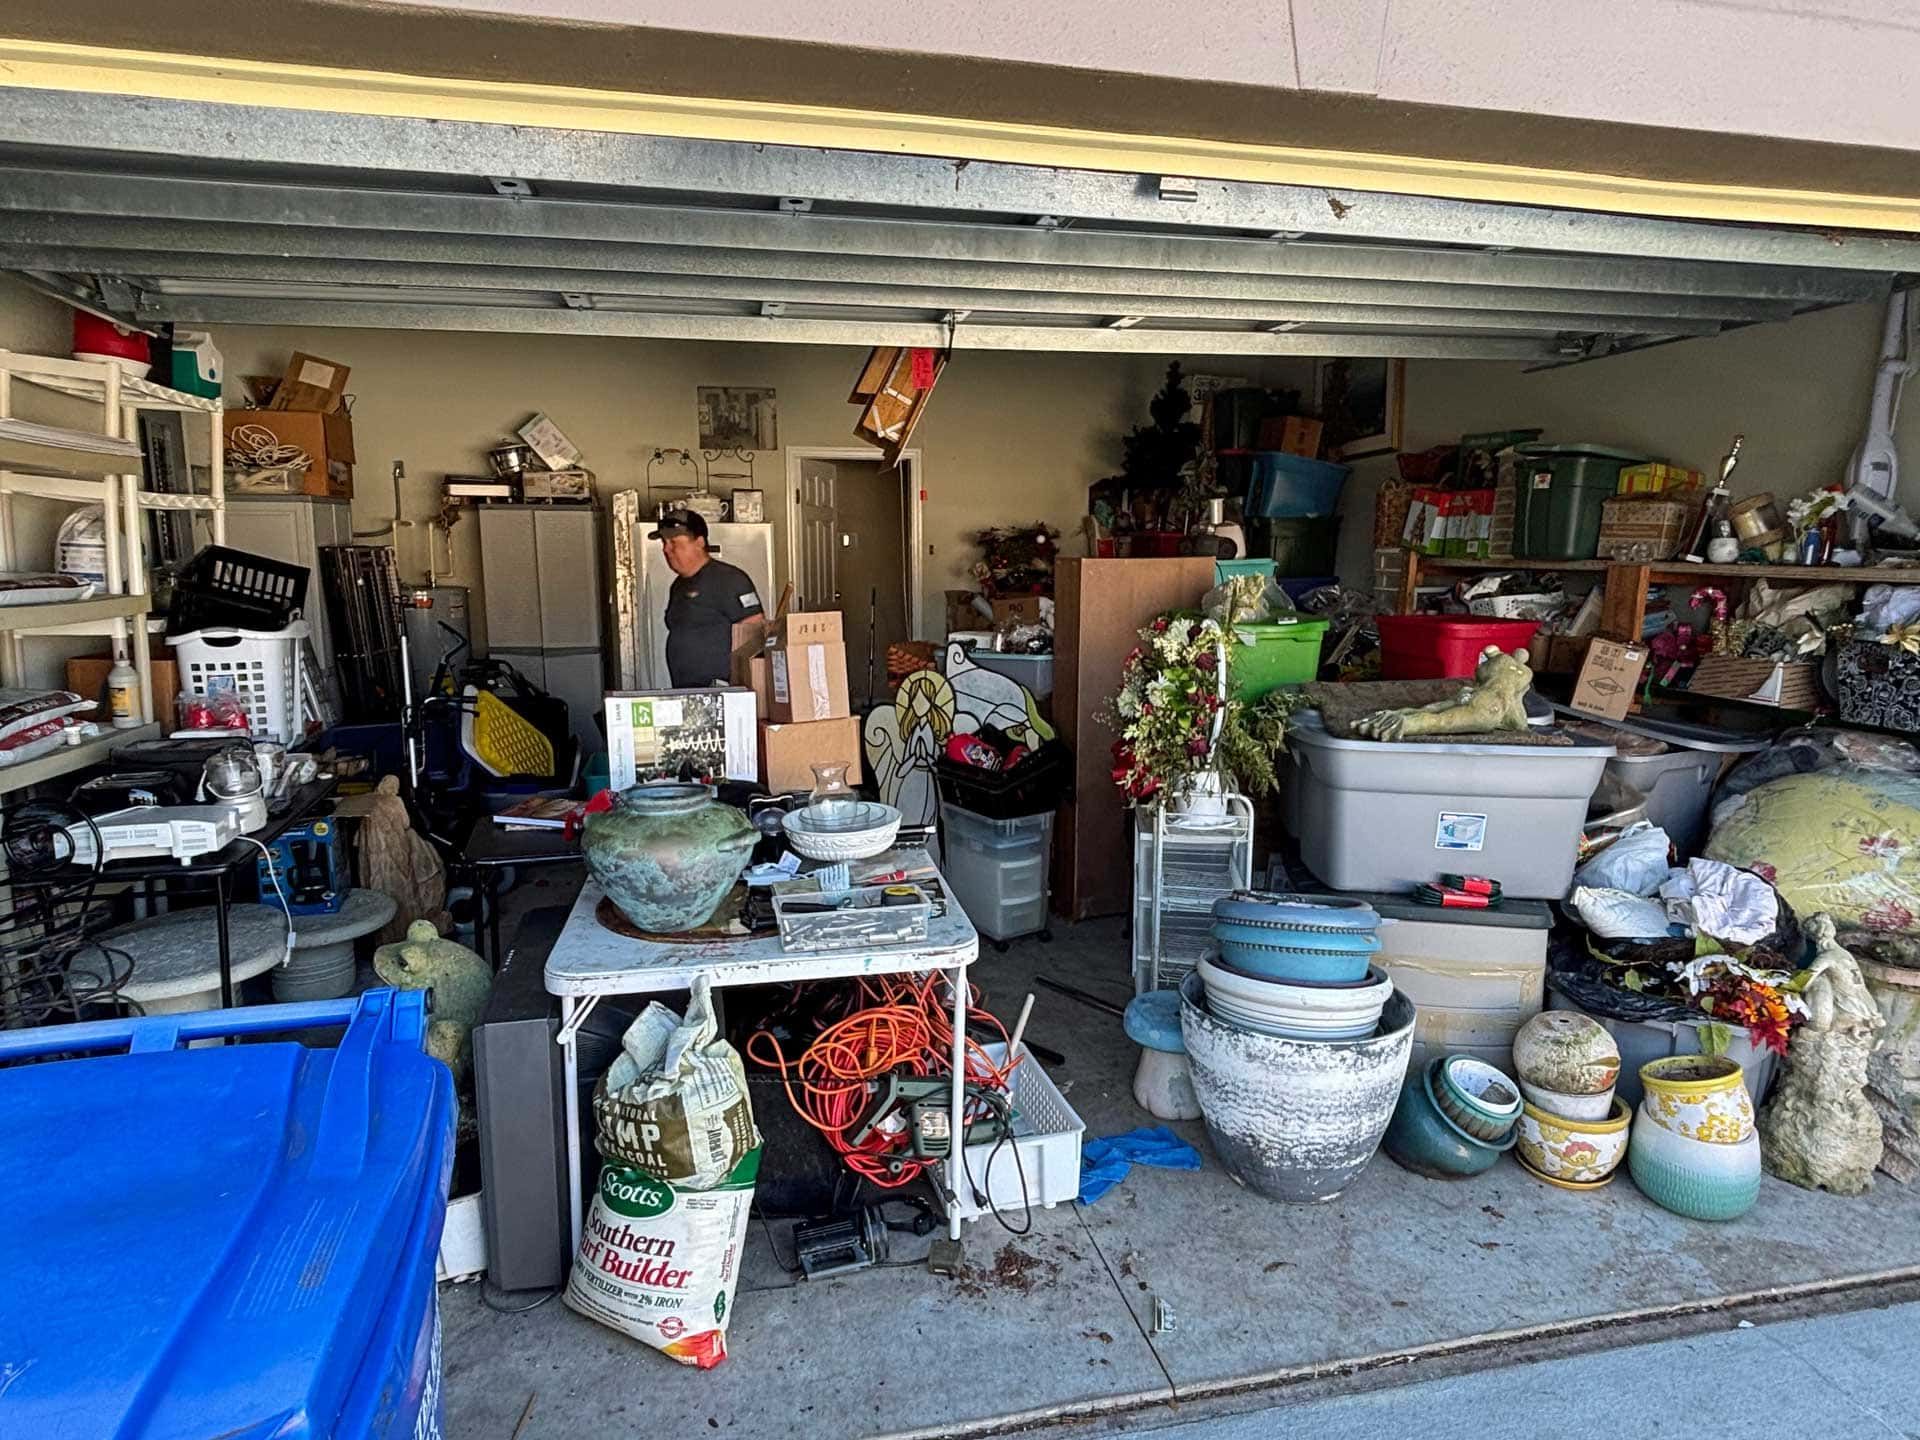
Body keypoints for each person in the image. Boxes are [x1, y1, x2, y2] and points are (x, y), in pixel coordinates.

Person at [651, 508, 764, 688]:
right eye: (664, 543)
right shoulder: (678, 586)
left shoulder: (730, 580)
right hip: (687, 692)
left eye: (674, 542)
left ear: (699, 542)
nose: (666, 549)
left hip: (723, 693)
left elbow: (755, 635)